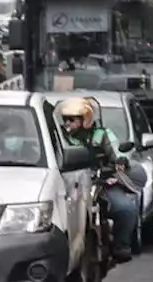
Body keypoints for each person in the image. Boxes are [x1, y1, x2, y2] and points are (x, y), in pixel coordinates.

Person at [57, 96, 139, 262]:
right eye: (65, 120)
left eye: (72, 120)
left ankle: (120, 246)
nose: (67, 124)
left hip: (100, 184)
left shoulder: (102, 135)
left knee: (126, 208)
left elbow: (118, 152)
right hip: (68, 184)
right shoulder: (59, 137)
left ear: (85, 118)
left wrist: (121, 161)